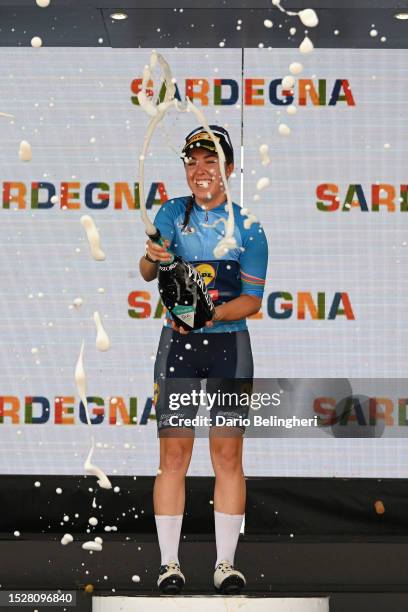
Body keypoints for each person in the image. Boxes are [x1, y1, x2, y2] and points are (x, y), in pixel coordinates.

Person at [139, 125, 268, 595]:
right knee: (173, 455)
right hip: (178, 349)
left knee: (227, 456)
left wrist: (207, 317)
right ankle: (169, 565)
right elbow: (149, 269)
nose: (200, 170)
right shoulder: (173, 212)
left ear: (229, 170)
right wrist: (153, 256)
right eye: (192, 161)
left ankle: (225, 565)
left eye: (210, 160)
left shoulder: (249, 228)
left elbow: (252, 300)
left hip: (228, 349)